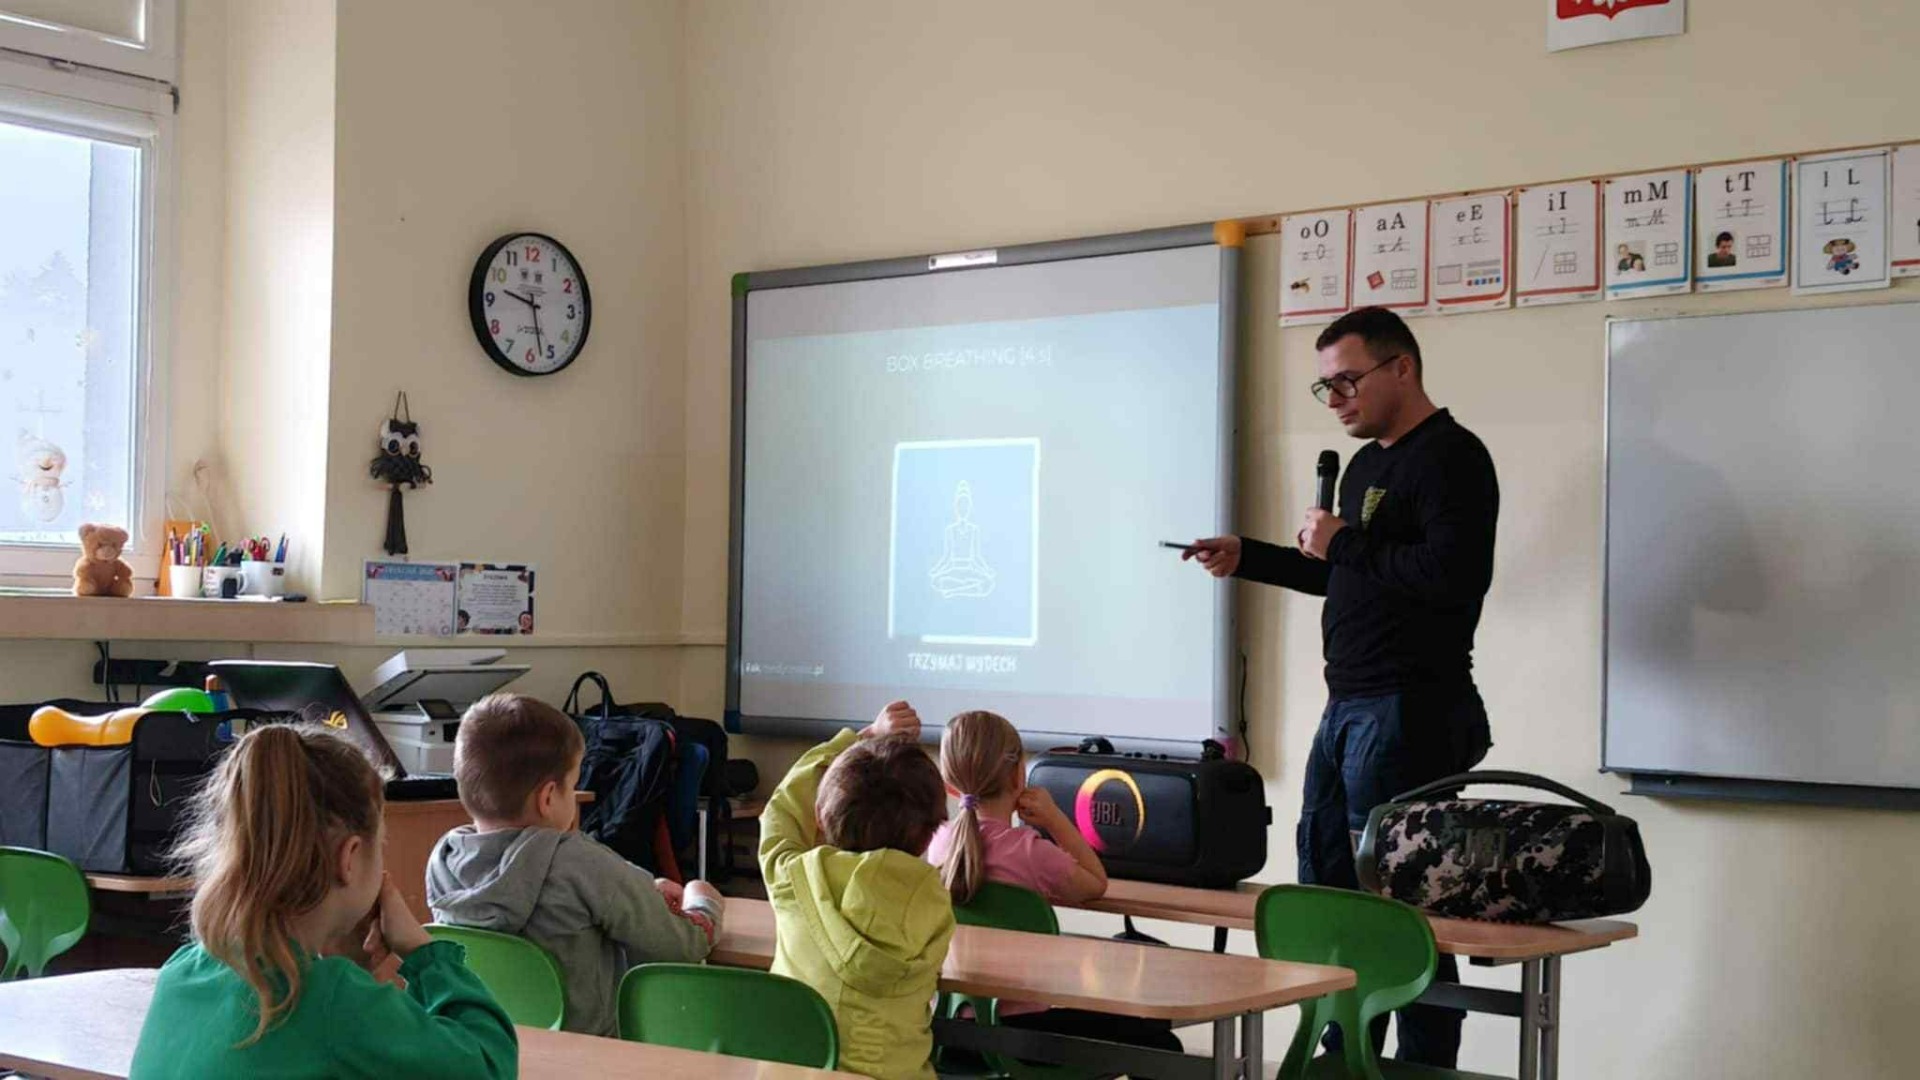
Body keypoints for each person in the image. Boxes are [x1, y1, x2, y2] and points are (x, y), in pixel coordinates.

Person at [1183, 306, 1497, 1067]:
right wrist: (1250, 556)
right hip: (1348, 706)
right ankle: (1346, 1052)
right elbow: (1341, 572)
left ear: (1402, 368)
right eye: (1325, 389)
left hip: (1412, 708)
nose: (1338, 399)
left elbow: (1455, 577)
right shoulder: (1363, 467)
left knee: (1400, 902)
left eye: (1347, 381)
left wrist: (1346, 542)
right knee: (1326, 885)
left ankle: (1419, 1066)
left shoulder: (1452, 457)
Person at [128, 725, 516, 1079]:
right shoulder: (333, 999)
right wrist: (423, 953)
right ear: (348, 859)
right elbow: (488, 1064)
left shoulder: (180, 973)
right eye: (379, 845)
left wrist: (350, 973)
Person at [427, 693, 722, 1037]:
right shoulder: (578, 862)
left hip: (491, 1051)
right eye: (573, 784)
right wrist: (702, 901)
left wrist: (644, 889)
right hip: (588, 1059)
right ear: (548, 797)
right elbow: (681, 946)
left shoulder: (443, 860)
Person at [929, 709, 1182, 1054]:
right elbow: (1095, 883)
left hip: (954, 1034)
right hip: (1024, 1038)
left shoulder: (937, 845)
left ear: (949, 785)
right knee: (1160, 1042)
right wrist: (1055, 818)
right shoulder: (1030, 851)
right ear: (1018, 776)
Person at [761, 700, 953, 1080]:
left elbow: (781, 807)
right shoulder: (934, 900)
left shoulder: (791, 878)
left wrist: (861, 737)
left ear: (819, 814)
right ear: (930, 835)